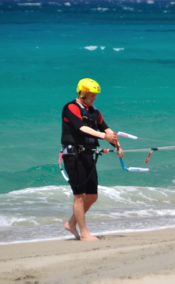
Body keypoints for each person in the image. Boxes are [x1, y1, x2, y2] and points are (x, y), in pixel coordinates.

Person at [61, 78, 123, 241]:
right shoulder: (70, 108)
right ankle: (84, 233)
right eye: (91, 94)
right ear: (82, 93)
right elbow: (81, 127)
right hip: (73, 156)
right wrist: (103, 136)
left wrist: (117, 143)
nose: (94, 97)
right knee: (79, 196)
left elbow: (106, 128)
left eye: (95, 94)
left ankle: (71, 223)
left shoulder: (94, 111)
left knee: (92, 196)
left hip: (88, 155)